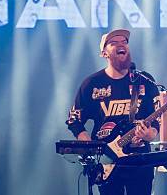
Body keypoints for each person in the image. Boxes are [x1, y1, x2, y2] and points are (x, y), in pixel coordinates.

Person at [66, 29, 160, 195]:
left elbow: (154, 120)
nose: (121, 45)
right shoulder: (92, 84)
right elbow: (74, 119)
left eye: (124, 42)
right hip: (107, 160)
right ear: (104, 53)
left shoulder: (144, 81)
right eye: (114, 43)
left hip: (139, 160)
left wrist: (150, 134)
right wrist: (90, 146)